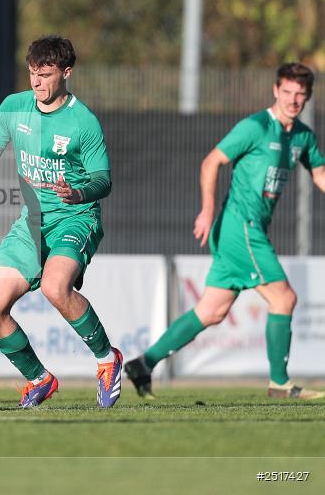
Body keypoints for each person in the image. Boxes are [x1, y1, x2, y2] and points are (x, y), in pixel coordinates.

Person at [125, 63, 325, 400]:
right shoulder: (255, 127)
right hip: (239, 227)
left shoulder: (302, 136)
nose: (293, 100)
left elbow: (318, 173)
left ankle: (143, 363)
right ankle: (279, 383)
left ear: (307, 97)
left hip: (248, 230)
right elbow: (211, 162)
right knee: (284, 298)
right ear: (275, 91)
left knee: (212, 311)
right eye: (287, 92)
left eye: (300, 95)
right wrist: (207, 210)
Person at [0, 35, 122, 409]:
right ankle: (39, 378)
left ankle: (107, 360)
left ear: (66, 73)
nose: (37, 83)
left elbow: (103, 180)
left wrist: (78, 193)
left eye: (45, 75)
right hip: (31, 223)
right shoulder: (14, 107)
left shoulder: (83, 122)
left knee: (55, 287)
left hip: (75, 218)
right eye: (32, 74)